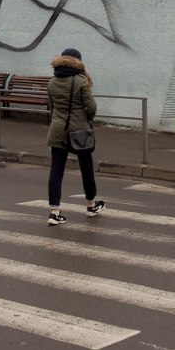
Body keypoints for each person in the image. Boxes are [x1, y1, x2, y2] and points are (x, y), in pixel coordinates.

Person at [44, 47, 105, 225]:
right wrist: (86, 120)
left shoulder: (52, 82)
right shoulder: (81, 81)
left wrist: (58, 121)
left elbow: (52, 108)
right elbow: (91, 107)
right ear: (78, 61)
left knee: (56, 170)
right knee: (86, 168)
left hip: (57, 130)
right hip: (79, 131)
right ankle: (90, 205)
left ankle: (54, 212)